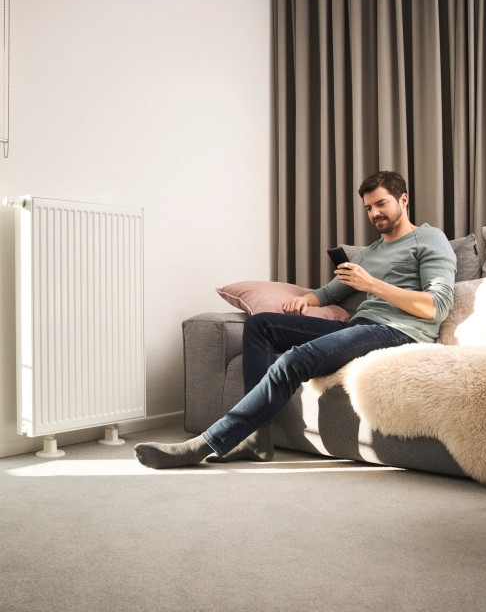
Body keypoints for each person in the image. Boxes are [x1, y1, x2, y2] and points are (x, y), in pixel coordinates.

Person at [135, 171, 456, 469]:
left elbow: (437, 307)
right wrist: (307, 299)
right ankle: (257, 437)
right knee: (261, 325)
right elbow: (330, 292)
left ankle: (209, 442)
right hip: (360, 327)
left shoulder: (429, 240)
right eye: (369, 207)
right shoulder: (370, 252)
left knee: (297, 358)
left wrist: (370, 284)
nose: (374, 214)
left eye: (381, 204)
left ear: (403, 200)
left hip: (399, 332)